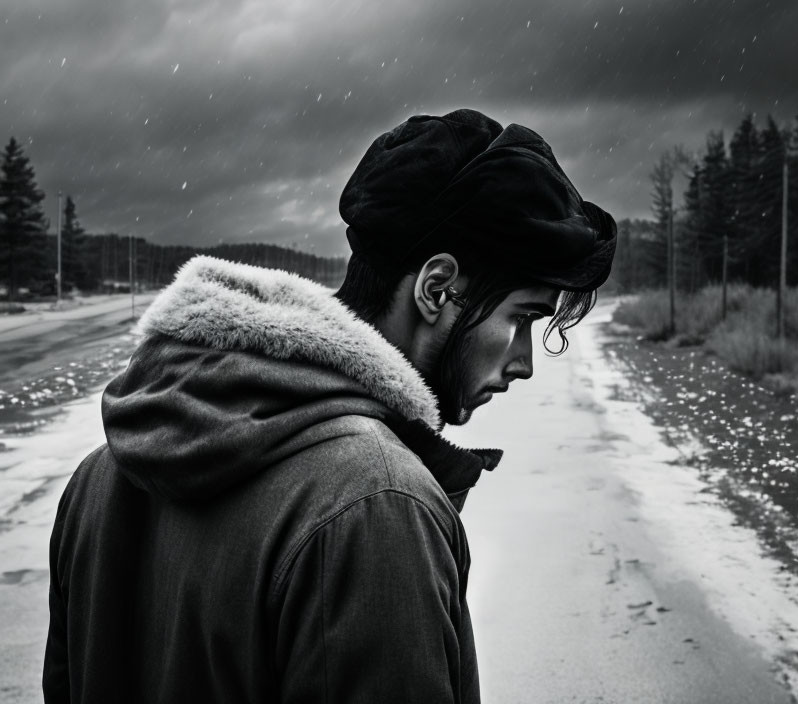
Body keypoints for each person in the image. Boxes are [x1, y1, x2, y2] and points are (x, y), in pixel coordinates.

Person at [43, 108, 616, 702]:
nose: (524, 361)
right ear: (437, 288)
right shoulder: (378, 506)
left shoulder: (100, 476)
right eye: (521, 318)